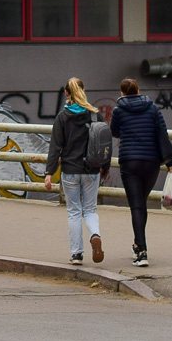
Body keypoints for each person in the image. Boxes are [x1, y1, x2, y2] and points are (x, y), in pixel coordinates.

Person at [110, 78, 172, 268]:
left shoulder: (118, 110)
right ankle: (139, 244)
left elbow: (114, 131)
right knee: (142, 203)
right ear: (138, 90)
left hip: (130, 162)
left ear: (122, 93)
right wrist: (169, 161)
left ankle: (142, 251)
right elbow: (162, 133)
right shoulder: (153, 108)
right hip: (151, 162)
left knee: (136, 206)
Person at [43, 77, 107, 265]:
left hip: (70, 170)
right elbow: (104, 143)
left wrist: (49, 173)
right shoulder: (94, 115)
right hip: (91, 169)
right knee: (90, 209)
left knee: (73, 211)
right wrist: (105, 166)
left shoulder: (62, 117)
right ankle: (95, 234)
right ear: (84, 90)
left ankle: (77, 254)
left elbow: (55, 147)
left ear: (66, 94)